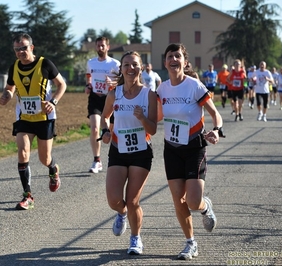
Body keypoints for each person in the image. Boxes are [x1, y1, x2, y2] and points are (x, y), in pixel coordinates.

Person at [157, 43, 224, 260]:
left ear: (185, 62)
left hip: (194, 147)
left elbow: (215, 114)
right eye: (170, 56)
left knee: (194, 202)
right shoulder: (161, 89)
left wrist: (216, 130)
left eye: (178, 56)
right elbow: (154, 116)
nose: (173, 59)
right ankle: (190, 243)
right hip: (172, 149)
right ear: (165, 62)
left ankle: (206, 207)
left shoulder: (194, 85)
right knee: (179, 200)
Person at [0, 33, 66, 210]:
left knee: (45, 159)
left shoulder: (45, 64)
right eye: (17, 49)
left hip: (45, 118)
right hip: (24, 118)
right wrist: (7, 95)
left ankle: (53, 170)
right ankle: (27, 196)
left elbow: (62, 85)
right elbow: (10, 87)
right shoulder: (14, 67)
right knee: (22, 152)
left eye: (24, 48)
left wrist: (53, 102)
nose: (21, 52)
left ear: (32, 47)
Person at [99, 51, 158, 255]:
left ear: (141, 68)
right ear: (121, 69)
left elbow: (153, 129)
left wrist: (142, 118)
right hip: (118, 150)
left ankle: (135, 239)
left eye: (134, 65)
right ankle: (121, 213)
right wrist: (106, 131)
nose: (130, 68)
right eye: (126, 65)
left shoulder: (149, 94)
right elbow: (105, 116)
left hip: (141, 152)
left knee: (133, 200)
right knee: (114, 200)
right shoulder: (114, 93)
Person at [85, 36, 121, 174]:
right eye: (98, 45)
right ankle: (97, 160)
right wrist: (88, 85)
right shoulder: (91, 62)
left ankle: (115, 158)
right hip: (95, 97)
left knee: (110, 132)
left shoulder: (114, 64)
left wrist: (112, 84)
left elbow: (122, 81)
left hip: (110, 98)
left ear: (108, 47)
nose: (100, 48)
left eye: (102, 46)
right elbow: (89, 75)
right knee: (95, 128)